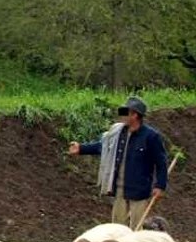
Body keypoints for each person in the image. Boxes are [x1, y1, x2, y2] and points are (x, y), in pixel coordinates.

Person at [68, 97, 168, 229]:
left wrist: (160, 185)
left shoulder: (151, 136)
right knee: (117, 227)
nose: (122, 115)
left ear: (135, 115)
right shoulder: (118, 133)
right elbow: (103, 146)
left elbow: (161, 162)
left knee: (137, 228)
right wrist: (81, 148)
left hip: (139, 190)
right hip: (119, 188)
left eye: (126, 111)